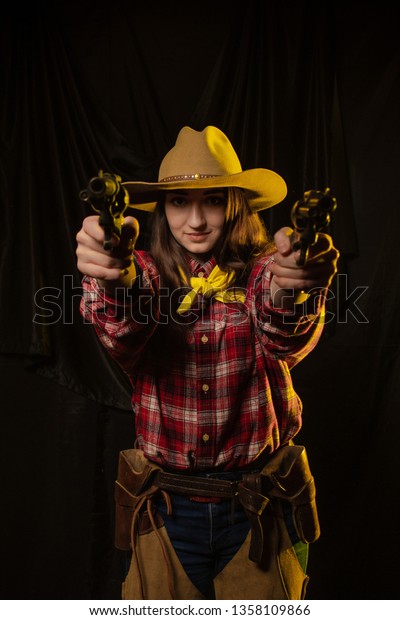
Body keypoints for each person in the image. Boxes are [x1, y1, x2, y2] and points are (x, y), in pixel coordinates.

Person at [76, 126, 339, 600]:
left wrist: (292, 283)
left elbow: (282, 330)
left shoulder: (262, 271)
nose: (195, 220)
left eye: (213, 200)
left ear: (236, 205)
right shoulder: (148, 275)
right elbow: (123, 327)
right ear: (160, 210)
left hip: (258, 509)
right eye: (179, 202)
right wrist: (116, 278)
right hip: (166, 515)